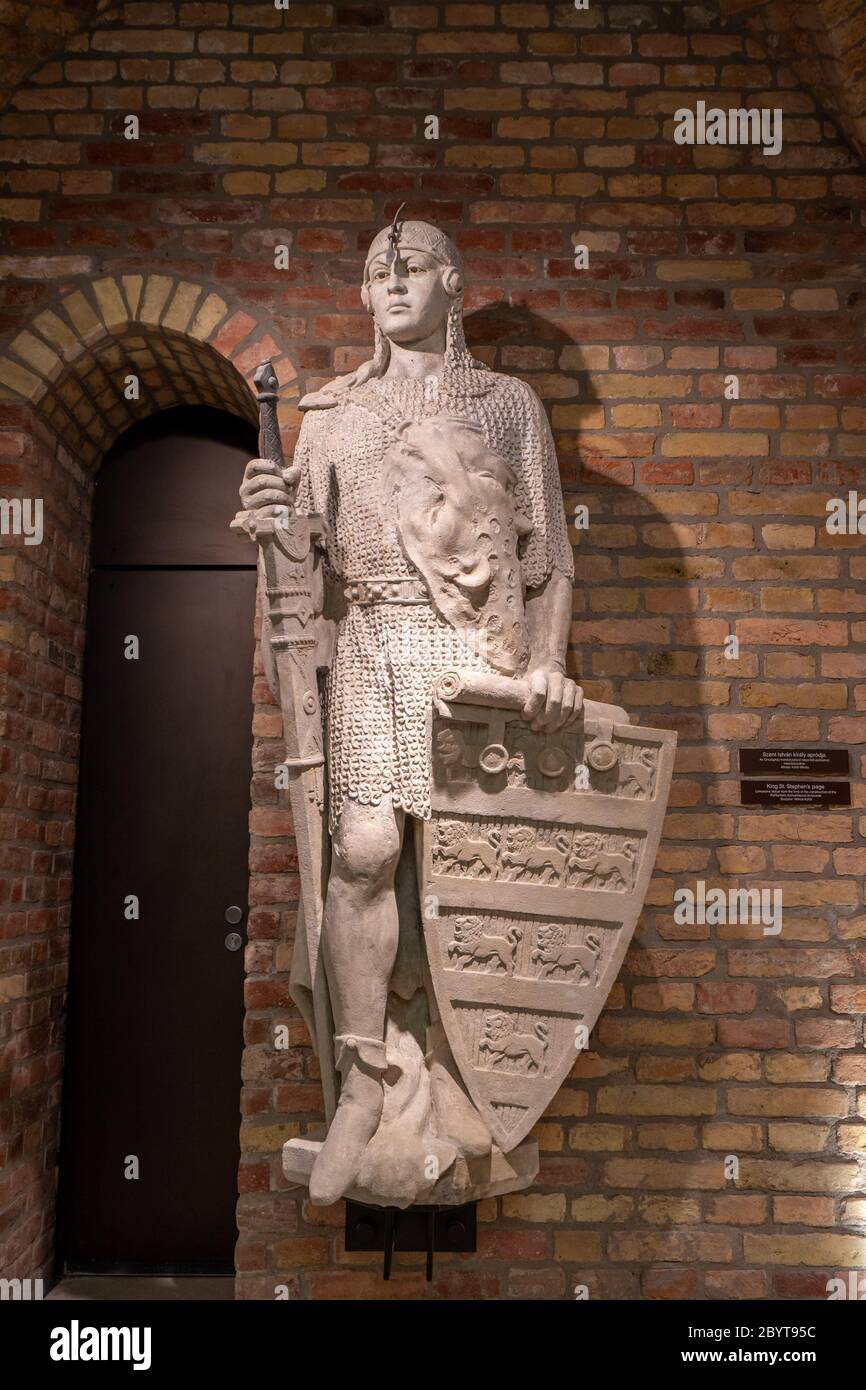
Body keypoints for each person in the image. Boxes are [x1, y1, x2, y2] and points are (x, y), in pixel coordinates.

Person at [239, 212, 581, 1204]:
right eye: (375, 270)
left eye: (411, 266)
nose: (390, 281)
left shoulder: (504, 403)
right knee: (364, 852)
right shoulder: (333, 410)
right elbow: (303, 560)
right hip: (374, 648)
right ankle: (365, 1072)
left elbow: (549, 554)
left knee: (470, 865)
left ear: (451, 285)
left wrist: (550, 665)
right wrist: (271, 516)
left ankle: (465, 1079)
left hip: (479, 655)